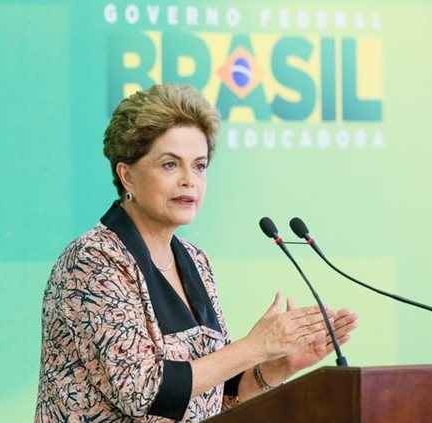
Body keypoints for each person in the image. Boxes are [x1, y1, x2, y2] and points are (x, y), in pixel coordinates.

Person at [35, 84, 358, 422]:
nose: (190, 180)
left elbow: (211, 400)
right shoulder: (93, 261)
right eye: (170, 165)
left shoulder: (196, 261)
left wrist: (276, 367)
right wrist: (254, 346)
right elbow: (144, 391)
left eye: (200, 166)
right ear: (127, 175)